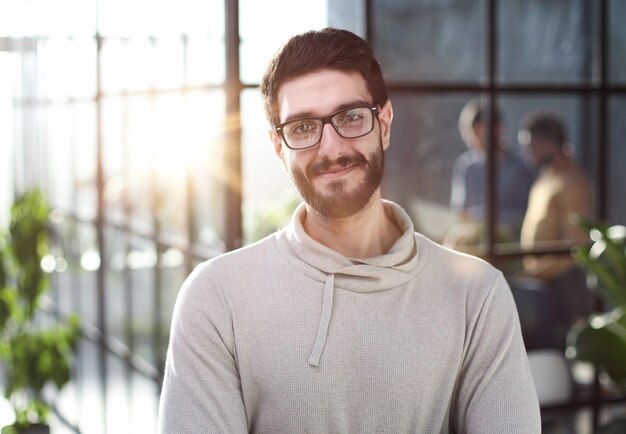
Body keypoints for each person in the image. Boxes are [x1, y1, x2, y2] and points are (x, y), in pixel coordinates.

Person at [158, 28, 540, 433]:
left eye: (351, 117)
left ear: (385, 123)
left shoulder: (477, 295)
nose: (331, 148)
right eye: (303, 127)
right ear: (278, 147)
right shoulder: (216, 298)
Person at [514, 111, 594, 350]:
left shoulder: (571, 182)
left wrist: (534, 271)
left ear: (548, 144)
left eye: (531, 146)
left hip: (563, 288)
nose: (527, 153)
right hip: (544, 284)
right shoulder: (547, 177)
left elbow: (577, 247)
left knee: (560, 355)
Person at [449, 99, 535, 245]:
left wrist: (481, 215)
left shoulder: (521, 167)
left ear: (499, 129)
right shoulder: (466, 166)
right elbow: (461, 212)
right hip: (474, 242)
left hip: (510, 242)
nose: (477, 143)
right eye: (473, 137)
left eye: (482, 136)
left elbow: (524, 213)